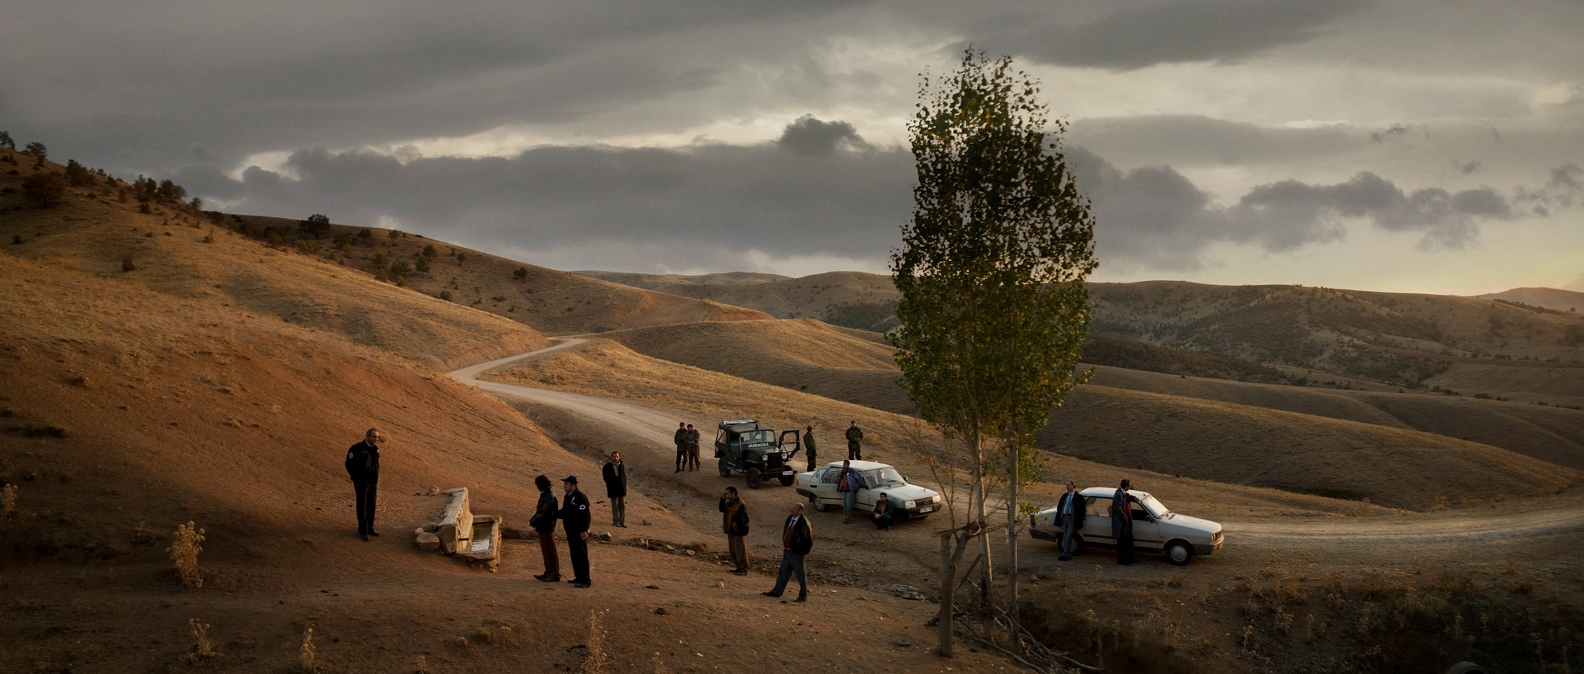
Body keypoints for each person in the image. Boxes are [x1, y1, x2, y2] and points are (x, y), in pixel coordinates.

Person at [762, 502, 813, 602]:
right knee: (783, 572)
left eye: (795, 508)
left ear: (800, 511)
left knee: (801, 576)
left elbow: (808, 541)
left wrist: (801, 553)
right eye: (793, 508)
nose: (792, 509)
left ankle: (803, 596)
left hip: (796, 554)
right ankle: (777, 591)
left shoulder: (804, 523)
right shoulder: (790, 519)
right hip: (788, 552)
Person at [344, 428, 382, 541]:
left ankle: (370, 527)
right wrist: (356, 477)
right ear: (367, 436)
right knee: (362, 505)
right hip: (361, 482)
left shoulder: (375, 449)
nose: (376, 439)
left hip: (372, 482)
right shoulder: (357, 448)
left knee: (371, 504)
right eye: (374, 437)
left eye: (377, 437)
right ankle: (363, 530)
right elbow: (348, 464)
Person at [558, 475, 593, 587]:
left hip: (578, 530)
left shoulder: (580, 497)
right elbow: (565, 512)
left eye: (567, 484)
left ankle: (585, 580)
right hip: (570, 530)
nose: (564, 486)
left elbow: (585, 515)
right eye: (565, 484)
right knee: (575, 554)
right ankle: (579, 576)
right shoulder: (568, 496)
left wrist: (584, 530)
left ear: (573, 486)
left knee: (581, 555)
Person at [529, 475, 560, 581]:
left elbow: (545, 514)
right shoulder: (547, 495)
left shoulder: (549, 496)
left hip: (547, 527)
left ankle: (554, 574)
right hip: (544, 527)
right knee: (546, 551)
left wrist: (534, 521)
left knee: (550, 551)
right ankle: (549, 572)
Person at [1111, 478, 1144, 566]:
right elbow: (1117, 509)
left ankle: (1131, 558)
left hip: (1126, 520)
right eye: (1129, 485)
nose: (1130, 486)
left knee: (1129, 540)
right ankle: (1121, 560)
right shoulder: (1118, 494)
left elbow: (1127, 496)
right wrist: (1124, 517)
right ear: (1126, 486)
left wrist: (1134, 498)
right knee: (1122, 541)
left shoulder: (1123, 493)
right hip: (1122, 521)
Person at [719, 487, 750, 575]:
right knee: (733, 550)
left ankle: (743, 569)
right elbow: (721, 509)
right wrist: (722, 499)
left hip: (738, 531)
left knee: (740, 550)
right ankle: (738, 567)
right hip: (731, 530)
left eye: (728, 494)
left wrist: (744, 531)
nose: (726, 495)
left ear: (733, 493)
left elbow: (745, 519)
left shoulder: (740, 504)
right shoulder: (730, 503)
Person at [1056, 481, 1086, 562]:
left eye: (1068, 485)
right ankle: (1066, 554)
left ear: (1073, 485)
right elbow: (1060, 507)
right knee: (1065, 537)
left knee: (1069, 536)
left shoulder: (1078, 497)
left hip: (1072, 519)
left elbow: (1082, 510)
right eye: (1066, 485)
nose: (1067, 487)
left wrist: (1079, 519)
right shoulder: (1065, 496)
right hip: (1064, 518)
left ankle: (1065, 554)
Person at [602, 452, 628, 528]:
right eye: (614, 457)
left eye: (617, 457)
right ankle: (616, 521)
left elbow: (623, 477)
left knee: (622, 506)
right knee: (615, 506)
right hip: (613, 489)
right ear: (611, 457)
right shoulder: (607, 466)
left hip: (621, 489)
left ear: (619, 457)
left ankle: (622, 522)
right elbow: (606, 478)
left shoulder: (621, 465)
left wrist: (624, 485)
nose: (615, 458)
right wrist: (611, 483)